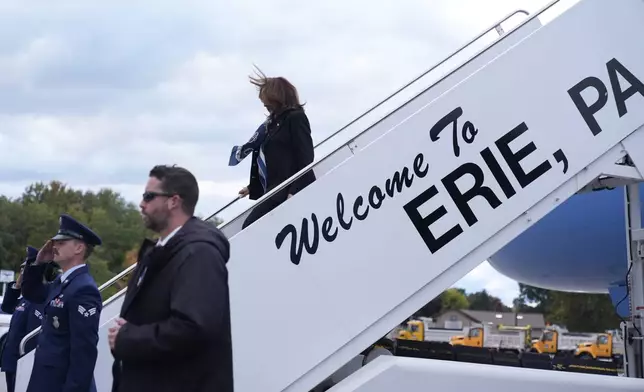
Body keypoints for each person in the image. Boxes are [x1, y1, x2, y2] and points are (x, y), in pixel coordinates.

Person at [109, 164, 233, 392]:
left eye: (149, 196)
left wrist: (127, 338)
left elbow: (193, 329)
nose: (142, 203)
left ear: (173, 201)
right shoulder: (165, 250)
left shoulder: (199, 253)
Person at [21, 214, 103, 392]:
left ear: (79, 248)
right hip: (45, 380)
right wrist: (38, 263)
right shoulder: (62, 282)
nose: (54, 246)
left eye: (62, 242)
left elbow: (84, 353)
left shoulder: (83, 289)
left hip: (61, 384)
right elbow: (31, 293)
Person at [229, 67, 316, 229]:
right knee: (251, 228)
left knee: (250, 227)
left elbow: (305, 157)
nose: (265, 107)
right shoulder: (272, 124)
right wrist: (253, 186)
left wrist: (294, 190)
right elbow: (273, 160)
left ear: (278, 98)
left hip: (288, 189)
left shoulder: (296, 118)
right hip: (275, 190)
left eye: (268, 103)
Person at [0, 246, 56, 392]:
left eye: (25, 270)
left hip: (25, 361)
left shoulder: (42, 296)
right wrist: (17, 285)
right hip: (11, 360)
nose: (23, 273)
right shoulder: (25, 296)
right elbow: (6, 307)